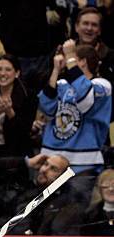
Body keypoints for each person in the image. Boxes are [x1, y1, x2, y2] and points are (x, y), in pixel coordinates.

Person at [39, 40, 111, 208]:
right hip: (51, 159)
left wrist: (70, 55)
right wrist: (56, 70)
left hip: (82, 164)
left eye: (73, 59)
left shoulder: (102, 86)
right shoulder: (63, 84)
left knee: (70, 213)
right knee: (43, 211)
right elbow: (47, 107)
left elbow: (85, 100)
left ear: (82, 62)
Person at [0, 54, 37, 162]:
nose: (2, 73)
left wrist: (10, 112)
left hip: (17, 154)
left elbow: (25, 132)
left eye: (8, 70)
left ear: (17, 73)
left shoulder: (28, 97)